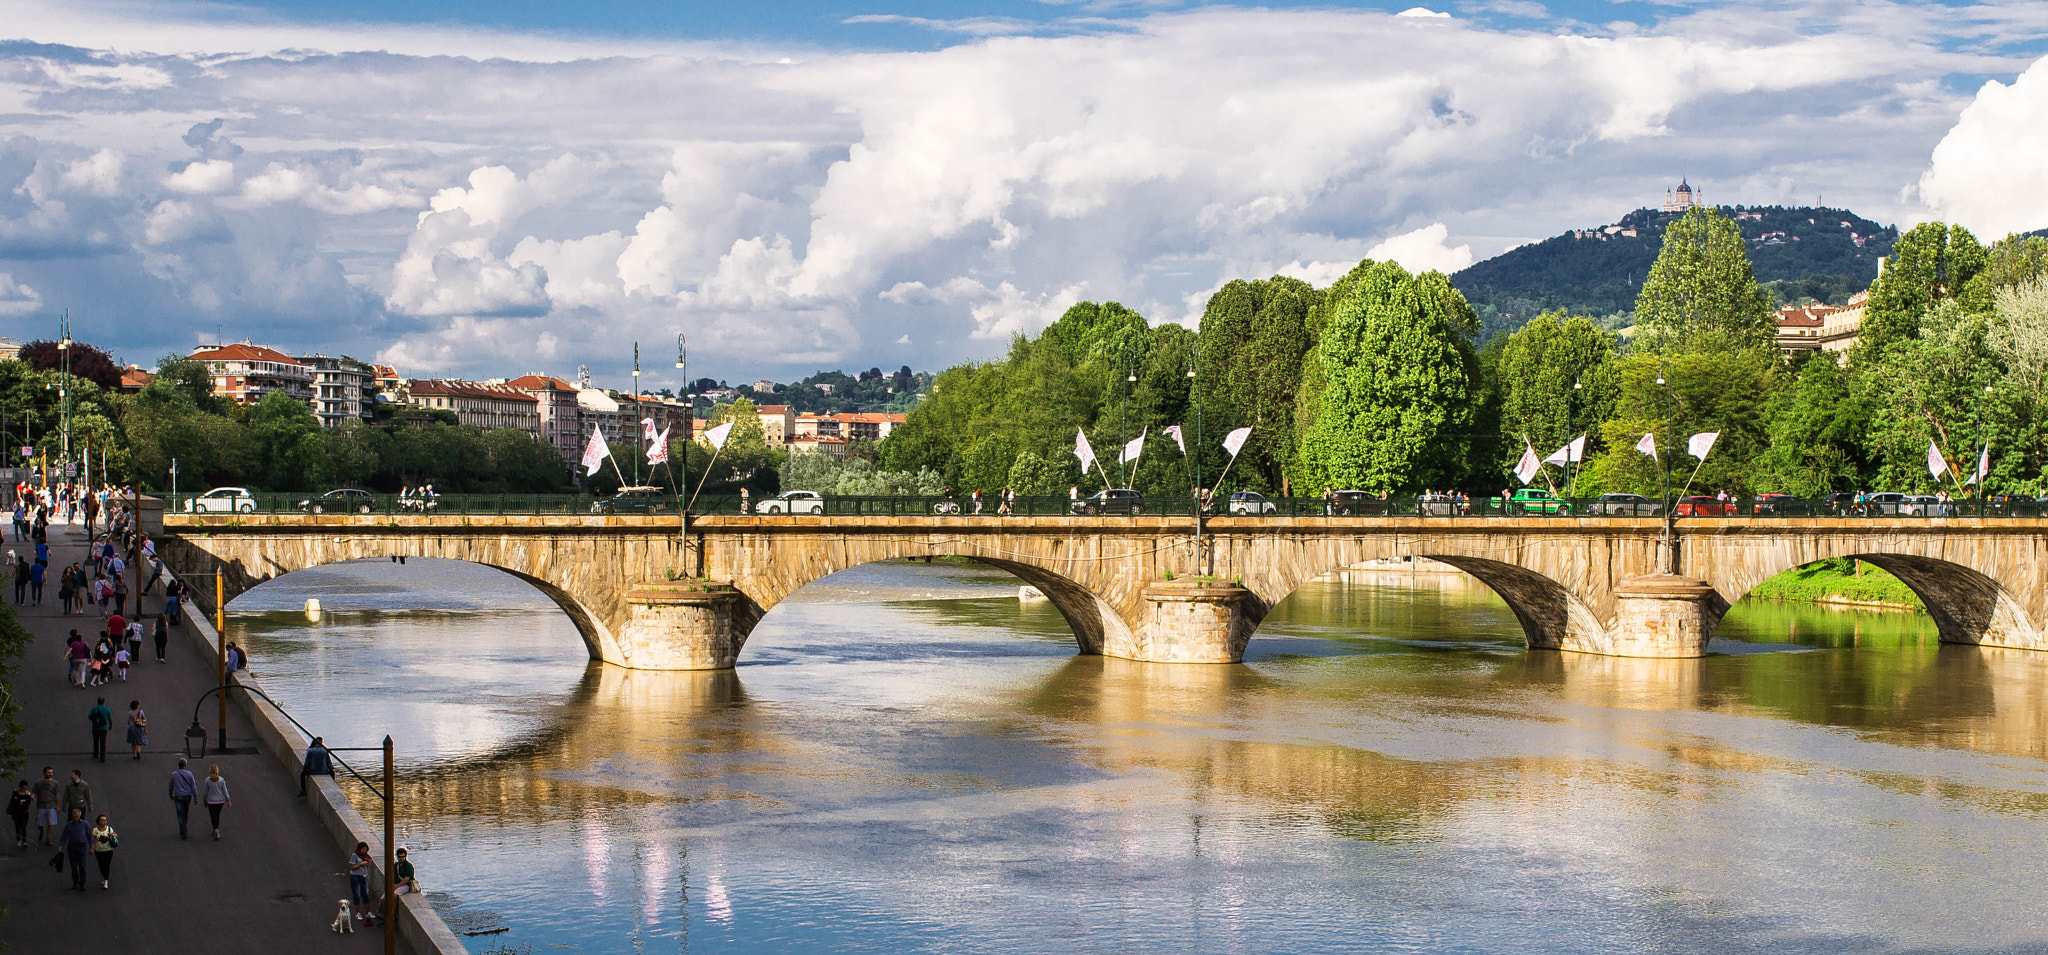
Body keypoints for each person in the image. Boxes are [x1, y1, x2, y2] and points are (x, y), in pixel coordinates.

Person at [58, 809, 90, 891]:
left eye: (77, 816)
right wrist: (61, 845)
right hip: (72, 847)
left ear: (79, 816)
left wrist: (91, 846)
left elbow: (89, 835)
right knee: (73, 866)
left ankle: (82, 883)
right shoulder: (69, 825)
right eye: (74, 816)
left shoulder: (85, 824)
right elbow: (64, 836)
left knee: (82, 866)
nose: (76, 818)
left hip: (82, 846)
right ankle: (75, 882)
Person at [167, 758, 199, 840]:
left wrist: (171, 794)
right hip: (187, 796)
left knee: (180, 814)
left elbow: (171, 785)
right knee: (185, 813)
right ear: (185, 765)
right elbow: (193, 786)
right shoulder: (190, 774)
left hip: (178, 796)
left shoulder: (174, 774)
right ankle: (184, 828)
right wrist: (196, 797)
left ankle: (183, 830)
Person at [32, 766, 61, 845]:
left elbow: (57, 795)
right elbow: (34, 792)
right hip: (41, 805)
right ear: (44, 773)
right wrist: (32, 796)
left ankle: (48, 838)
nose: (50, 774)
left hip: (51, 804)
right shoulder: (38, 783)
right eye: (48, 772)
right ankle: (42, 830)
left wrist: (58, 806)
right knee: (39, 823)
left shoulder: (54, 783)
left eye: (51, 773)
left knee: (51, 823)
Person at [89, 813, 117, 889]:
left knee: (107, 864)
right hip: (99, 850)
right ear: (99, 821)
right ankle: (104, 875)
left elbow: (115, 836)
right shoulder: (95, 830)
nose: (104, 822)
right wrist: (91, 847)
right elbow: (92, 839)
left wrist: (113, 835)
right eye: (102, 820)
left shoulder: (109, 829)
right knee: (101, 864)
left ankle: (106, 880)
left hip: (108, 850)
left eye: (105, 820)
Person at [203, 765, 231, 839]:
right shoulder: (221, 780)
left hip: (211, 801)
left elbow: (205, 792)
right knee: (217, 815)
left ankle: (216, 830)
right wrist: (228, 800)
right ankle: (216, 829)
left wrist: (204, 801)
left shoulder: (207, 780)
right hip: (220, 801)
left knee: (213, 816)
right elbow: (225, 791)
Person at [348, 842, 375, 916]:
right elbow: (352, 867)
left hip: (363, 876)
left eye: (365, 850)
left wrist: (368, 863)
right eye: (363, 849)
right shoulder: (354, 855)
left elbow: (367, 866)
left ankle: (368, 912)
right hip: (355, 877)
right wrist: (361, 864)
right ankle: (357, 913)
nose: (364, 851)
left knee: (366, 894)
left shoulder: (365, 856)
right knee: (357, 894)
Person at [88, 697, 113, 762]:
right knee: (103, 742)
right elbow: (110, 719)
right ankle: (102, 756)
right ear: (104, 702)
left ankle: (96, 754)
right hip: (104, 728)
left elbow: (89, 716)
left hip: (95, 727)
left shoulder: (94, 709)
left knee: (96, 741)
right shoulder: (107, 709)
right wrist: (110, 726)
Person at [8, 780, 32, 848]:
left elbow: (28, 802)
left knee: (23, 827)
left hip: (24, 813)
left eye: (25, 788)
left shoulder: (27, 794)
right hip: (16, 813)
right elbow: (13, 801)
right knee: (18, 827)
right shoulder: (16, 793)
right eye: (23, 788)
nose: (24, 789)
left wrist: (25, 800)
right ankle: (19, 840)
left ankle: (24, 841)